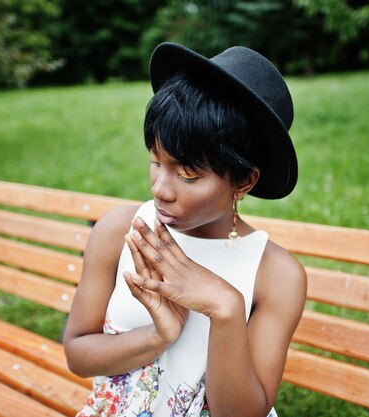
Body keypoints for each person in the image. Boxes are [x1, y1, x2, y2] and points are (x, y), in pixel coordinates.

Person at [64, 42, 307, 417]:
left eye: (188, 175)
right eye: (155, 161)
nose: (160, 188)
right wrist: (158, 336)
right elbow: (78, 354)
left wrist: (224, 307)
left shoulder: (276, 275)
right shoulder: (120, 232)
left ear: (243, 181)